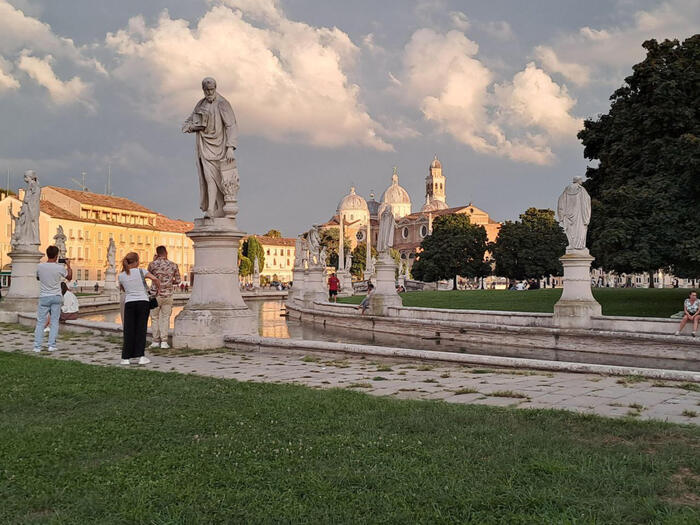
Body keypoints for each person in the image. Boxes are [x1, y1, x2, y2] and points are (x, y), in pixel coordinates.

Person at [118, 252, 160, 365]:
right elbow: (155, 279)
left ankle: (125, 358)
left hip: (129, 302)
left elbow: (122, 288)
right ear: (137, 262)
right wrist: (157, 290)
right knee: (141, 329)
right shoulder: (142, 271)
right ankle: (140, 356)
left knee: (129, 330)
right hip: (143, 302)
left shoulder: (121, 275)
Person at [33, 246, 72, 352]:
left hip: (44, 296)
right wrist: (68, 265)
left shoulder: (40, 266)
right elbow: (69, 277)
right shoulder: (59, 267)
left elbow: (37, 277)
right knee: (54, 322)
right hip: (56, 296)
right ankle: (51, 345)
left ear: (47, 254)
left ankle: (37, 346)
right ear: (57, 255)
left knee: (40, 322)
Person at [147, 245, 181, 349]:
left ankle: (155, 341)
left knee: (154, 318)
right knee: (165, 318)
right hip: (168, 295)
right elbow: (178, 281)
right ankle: (164, 341)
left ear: (157, 253)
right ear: (166, 252)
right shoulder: (173, 265)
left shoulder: (152, 264)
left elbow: (149, 275)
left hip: (155, 295)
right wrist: (170, 282)